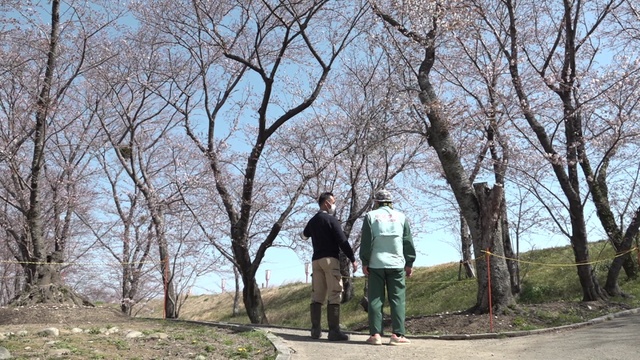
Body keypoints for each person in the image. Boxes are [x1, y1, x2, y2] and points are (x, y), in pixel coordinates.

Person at [359, 189, 416, 346]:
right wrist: (409, 263)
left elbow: (366, 241)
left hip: (375, 263)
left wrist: (365, 262)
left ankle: (375, 335)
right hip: (397, 264)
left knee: (375, 300)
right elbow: (407, 241)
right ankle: (397, 335)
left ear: (376, 202)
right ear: (391, 203)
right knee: (397, 299)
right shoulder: (401, 217)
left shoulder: (370, 216)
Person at [302, 192, 358, 341]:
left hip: (316, 261)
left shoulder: (312, 221)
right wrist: (352, 259)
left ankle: (315, 330)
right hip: (330, 260)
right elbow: (342, 241)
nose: (334, 205)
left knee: (317, 294)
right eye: (333, 202)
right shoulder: (331, 220)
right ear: (327, 203)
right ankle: (334, 331)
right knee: (334, 293)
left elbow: (304, 235)